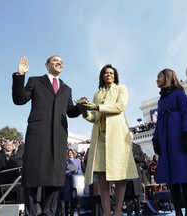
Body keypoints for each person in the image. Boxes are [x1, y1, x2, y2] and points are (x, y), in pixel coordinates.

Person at [12, 56, 81, 216]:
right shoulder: (35, 81)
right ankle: (31, 212)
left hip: (59, 136)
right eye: (56, 60)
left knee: (55, 176)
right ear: (47, 65)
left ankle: (49, 212)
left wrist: (79, 107)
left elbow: (70, 112)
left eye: (62, 62)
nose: (60, 63)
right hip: (38, 134)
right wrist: (20, 75)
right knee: (33, 174)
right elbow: (19, 99)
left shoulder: (66, 89)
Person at [78, 64, 138, 216]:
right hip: (100, 137)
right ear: (102, 76)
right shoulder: (97, 95)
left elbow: (120, 106)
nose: (109, 75)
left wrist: (98, 107)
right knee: (102, 174)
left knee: (119, 173)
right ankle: (106, 212)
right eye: (106, 73)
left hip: (117, 136)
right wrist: (84, 111)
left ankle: (117, 210)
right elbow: (94, 117)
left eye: (111, 73)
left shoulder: (121, 89)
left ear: (115, 76)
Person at [152, 68, 187, 216]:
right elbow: (158, 120)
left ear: (167, 77)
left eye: (159, 77)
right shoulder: (161, 100)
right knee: (171, 176)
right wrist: (155, 139)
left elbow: (186, 112)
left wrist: (186, 133)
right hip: (165, 137)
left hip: (178, 135)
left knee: (184, 173)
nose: (156, 80)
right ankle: (178, 210)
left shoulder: (179, 93)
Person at [124, 135, 147, 216]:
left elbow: (143, 158)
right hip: (127, 176)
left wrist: (136, 157)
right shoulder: (123, 147)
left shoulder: (137, 147)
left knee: (137, 198)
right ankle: (129, 213)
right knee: (129, 198)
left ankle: (138, 213)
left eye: (130, 136)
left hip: (136, 176)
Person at [63, 149, 83, 215]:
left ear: (74, 153)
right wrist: (70, 172)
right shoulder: (66, 161)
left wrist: (77, 172)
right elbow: (63, 171)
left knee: (73, 197)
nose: (70, 154)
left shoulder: (77, 161)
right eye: (69, 153)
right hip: (67, 181)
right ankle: (66, 212)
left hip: (75, 181)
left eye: (71, 153)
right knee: (67, 197)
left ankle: (71, 211)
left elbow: (80, 169)